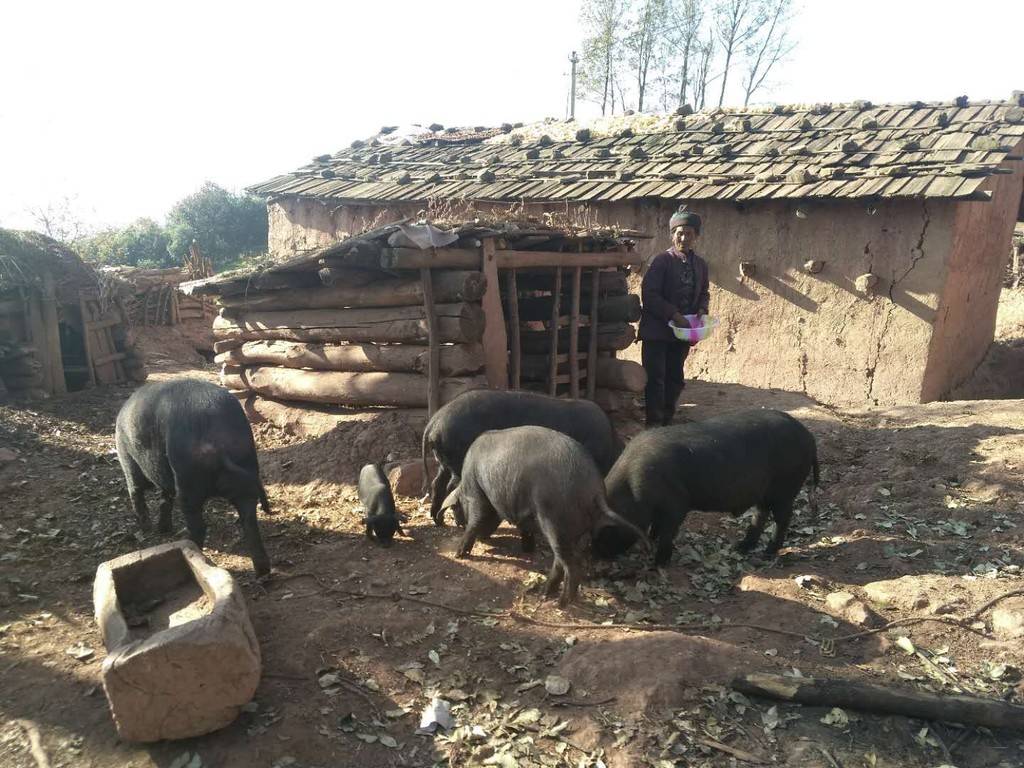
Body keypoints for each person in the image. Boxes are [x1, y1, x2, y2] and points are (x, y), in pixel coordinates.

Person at [637, 207, 710, 428]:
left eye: (689, 233)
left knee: (675, 378)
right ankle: (654, 423)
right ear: (672, 235)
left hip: (682, 332)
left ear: (696, 236)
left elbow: (704, 292)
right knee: (656, 378)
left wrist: (702, 310)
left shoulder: (700, 265)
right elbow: (649, 295)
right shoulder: (662, 261)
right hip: (657, 331)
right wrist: (674, 315)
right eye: (679, 233)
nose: (684, 238)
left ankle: (667, 419)